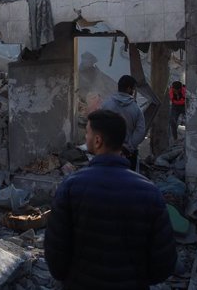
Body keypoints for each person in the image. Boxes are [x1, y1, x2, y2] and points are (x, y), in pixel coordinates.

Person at [44, 109, 176, 289]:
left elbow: (55, 253)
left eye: (88, 133)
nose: (86, 138)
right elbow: (164, 263)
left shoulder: (71, 187)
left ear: (98, 141)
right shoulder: (150, 192)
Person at [101, 75, 146, 169]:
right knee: (129, 181)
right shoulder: (136, 108)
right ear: (129, 89)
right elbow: (141, 131)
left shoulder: (106, 105)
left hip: (108, 151)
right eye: (133, 89)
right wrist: (129, 147)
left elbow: (100, 127)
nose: (134, 92)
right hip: (129, 155)